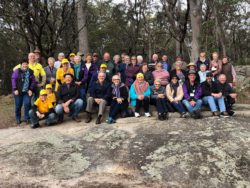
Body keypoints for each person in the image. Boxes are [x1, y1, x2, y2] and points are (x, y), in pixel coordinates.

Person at [12, 59, 35, 125]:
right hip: (18, 92)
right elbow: (13, 80)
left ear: (27, 64)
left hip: (27, 92)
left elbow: (33, 81)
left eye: (26, 64)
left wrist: (31, 89)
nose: (25, 65)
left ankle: (27, 118)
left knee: (27, 104)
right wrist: (15, 89)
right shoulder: (17, 71)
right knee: (18, 105)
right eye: (23, 64)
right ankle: (18, 118)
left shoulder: (30, 71)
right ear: (21, 65)